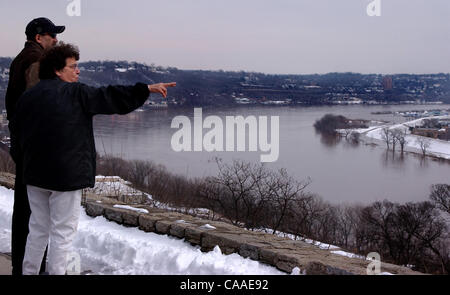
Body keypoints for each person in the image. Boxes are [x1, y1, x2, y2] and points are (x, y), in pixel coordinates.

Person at [10, 42, 176, 275]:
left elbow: (17, 136)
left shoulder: (29, 97)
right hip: (65, 178)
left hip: (35, 176)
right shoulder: (77, 94)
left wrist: (25, 165)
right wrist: (146, 89)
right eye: (73, 66)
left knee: (37, 229)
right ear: (58, 70)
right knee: (62, 232)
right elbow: (110, 97)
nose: (78, 71)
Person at [5, 17, 65, 275]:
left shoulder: (22, 58)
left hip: (25, 146)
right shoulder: (36, 61)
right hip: (36, 150)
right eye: (52, 35)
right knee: (35, 215)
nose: (56, 39)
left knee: (27, 212)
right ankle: (31, 268)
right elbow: (40, 105)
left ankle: (25, 266)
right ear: (39, 37)